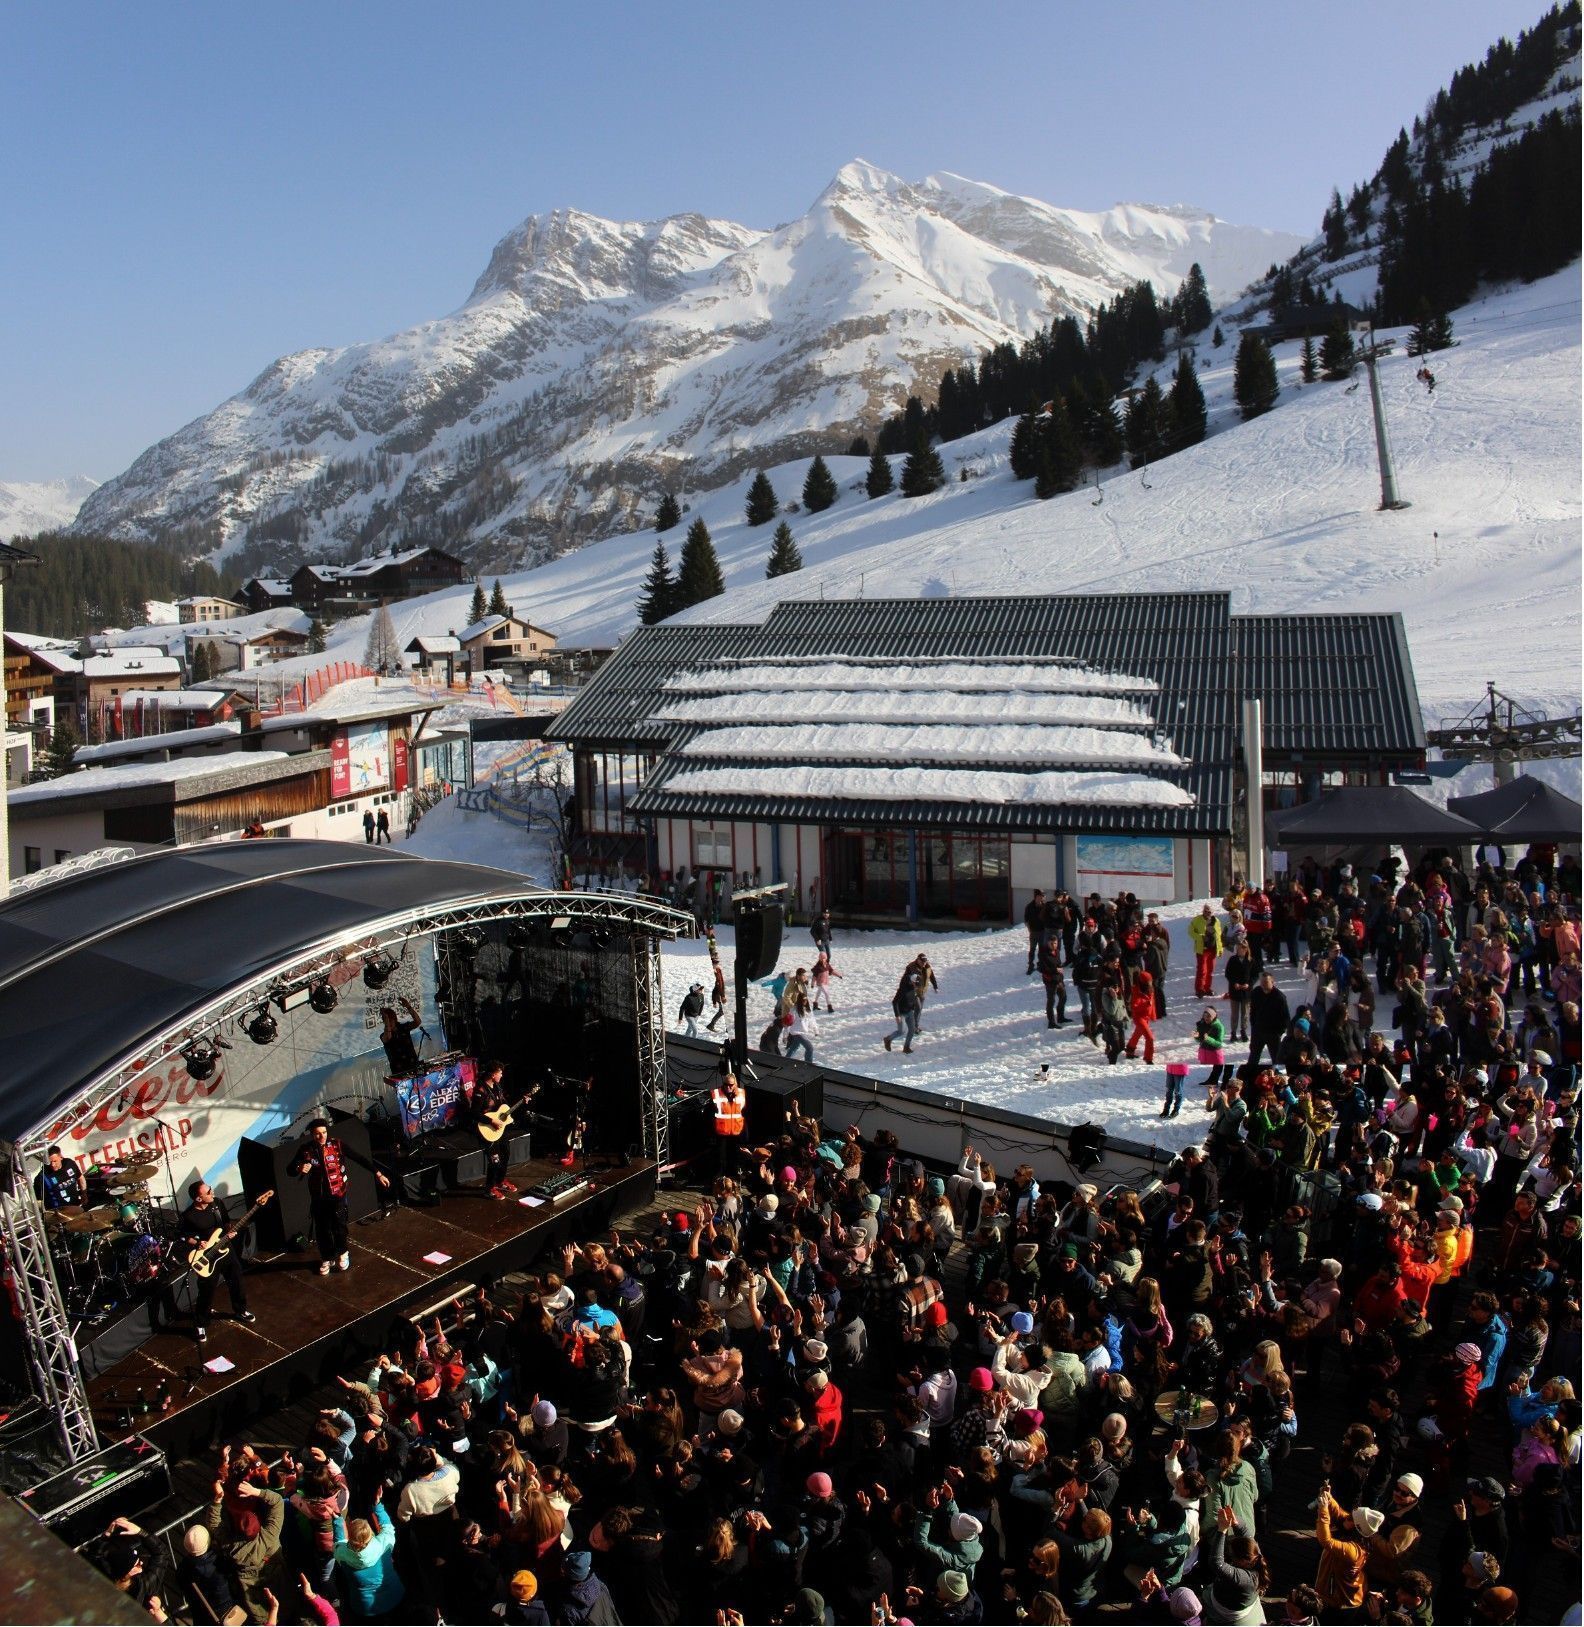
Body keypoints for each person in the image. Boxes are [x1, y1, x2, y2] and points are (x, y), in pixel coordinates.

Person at [291, 1118, 388, 1276]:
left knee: (339, 1227)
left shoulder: (337, 1144)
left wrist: (378, 1174)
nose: (322, 1136)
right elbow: (290, 1169)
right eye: (318, 1134)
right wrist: (299, 1167)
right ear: (312, 1135)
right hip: (318, 1198)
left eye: (324, 1132)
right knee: (322, 1230)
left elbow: (359, 1158)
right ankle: (327, 1257)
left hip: (337, 1195)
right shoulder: (306, 1149)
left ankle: (343, 1253)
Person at [179, 1180, 261, 1343]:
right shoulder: (189, 1216)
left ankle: (240, 1310)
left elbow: (226, 1222)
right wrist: (197, 1242)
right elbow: (183, 1235)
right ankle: (200, 1323)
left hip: (226, 1250)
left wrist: (230, 1231)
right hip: (208, 1257)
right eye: (208, 1192)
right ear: (199, 1199)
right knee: (207, 1290)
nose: (212, 1192)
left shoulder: (217, 1204)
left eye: (210, 1189)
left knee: (237, 1281)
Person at [472, 1060, 518, 1200]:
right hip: (486, 1129)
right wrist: (491, 1121)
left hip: (499, 1129)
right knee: (495, 1160)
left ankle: (500, 1181)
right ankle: (489, 1189)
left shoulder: (497, 1087)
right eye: (500, 1073)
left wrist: (522, 1100)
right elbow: (474, 1113)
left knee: (506, 1153)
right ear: (493, 1074)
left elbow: (503, 1107)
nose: (502, 1075)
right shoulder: (480, 1090)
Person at [711, 1072, 746, 1177]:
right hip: (722, 1131)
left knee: (735, 1156)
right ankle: (720, 1177)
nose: (728, 1087)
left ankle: (734, 1176)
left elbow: (744, 1113)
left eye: (730, 1085)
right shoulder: (716, 1094)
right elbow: (710, 1114)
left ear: (735, 1084)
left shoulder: (742, 1093)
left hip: (736, 1131)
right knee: (721, 1157)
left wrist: (745, 1132)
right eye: (725, 1084)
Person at [378, 997, 423, 1075]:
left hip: (413, 1066)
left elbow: (418, 1022)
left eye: (390, 1020)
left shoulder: (403, 1028)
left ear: (395, 1019)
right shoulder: (384, 1035)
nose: (388, 1023)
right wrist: (387, 1020)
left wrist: (408, 1007)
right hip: (399, 1072)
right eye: (386, 1021)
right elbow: (388, 1037)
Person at [34, 1144, 85, 1210]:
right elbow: (38, 1201)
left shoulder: (69, 1163)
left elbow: (80, 1178)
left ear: (61, 1157)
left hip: (76, 1207)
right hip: (58, 1213)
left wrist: (84, 1194)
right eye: (49, 1162)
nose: (52, 1165)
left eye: (55, 1161)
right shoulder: (41, 1177)